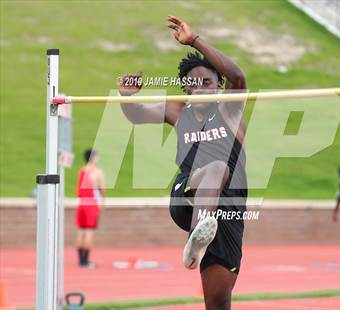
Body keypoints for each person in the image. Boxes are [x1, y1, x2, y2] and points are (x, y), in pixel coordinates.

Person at [119, 15, 247, 310]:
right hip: (187, 197)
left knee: (218, 301)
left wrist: (194, 40)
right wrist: (127, 99)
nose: (200, 88)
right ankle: (197, 235)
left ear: (219, 86)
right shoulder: (177, 111)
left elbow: (238, 77)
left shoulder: (230, 109)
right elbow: (137, 115)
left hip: (228, 210)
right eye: (193, 84)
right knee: (216, 168)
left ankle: (200, 242)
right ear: (185, 89)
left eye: (207, 82)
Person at [76, 149, 106, 268]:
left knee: (81, 231)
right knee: (89, 232)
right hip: (91, 204)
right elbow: (102, 189)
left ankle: (81, 260)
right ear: (93, 158)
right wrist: (103, 202)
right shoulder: (97, 172)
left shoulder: (82, 170)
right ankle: (86, 261)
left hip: (81, 204)